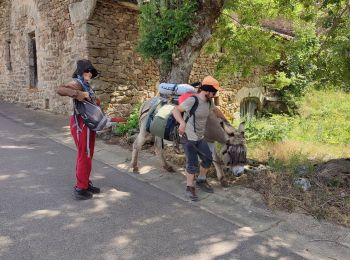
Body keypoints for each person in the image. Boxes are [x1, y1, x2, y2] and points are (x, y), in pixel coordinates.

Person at [172, 76, 227, 201]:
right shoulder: (193, 100)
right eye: (214, 92)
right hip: (188, 136)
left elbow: (215, 111)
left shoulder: (209, 102)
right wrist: (181, 122)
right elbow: (176, 110)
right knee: (192, 163)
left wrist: (225, 121)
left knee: (207, 159)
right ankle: (189, 187)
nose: (214, 95)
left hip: (200, 137)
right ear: (206, 90)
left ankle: (201, 180)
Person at [57, 59, 101, 200]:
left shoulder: (86, 84)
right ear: (82, 71)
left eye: (91, 71)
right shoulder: (77, 82)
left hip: (87, 123)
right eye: (87, 70)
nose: (90, 73)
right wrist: (79, 94)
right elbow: (61, 89)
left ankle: (85, 183)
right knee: (84, 154)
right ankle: (81, 188)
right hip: (81, 124)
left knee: (87, 155)